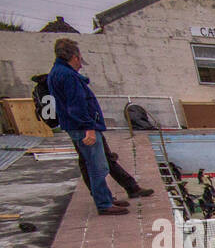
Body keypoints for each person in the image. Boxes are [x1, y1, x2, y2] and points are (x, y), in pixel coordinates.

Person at [46, 39, 151, 215]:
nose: (80, 65)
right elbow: (76, 105)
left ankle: (108, 198)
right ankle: (104, 203)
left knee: (98, 162)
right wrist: (89, 128)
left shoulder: (56, 73)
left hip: (76, 125)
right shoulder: (69, 76)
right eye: (80, 59)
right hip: (83, 127)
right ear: (74, 57)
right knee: (97, 166)